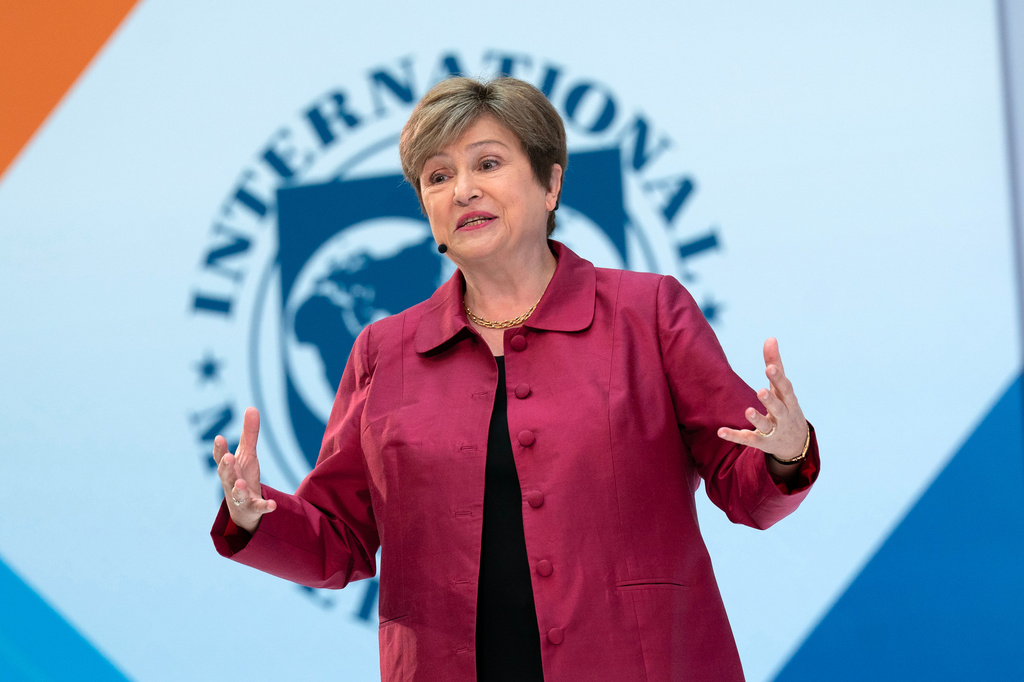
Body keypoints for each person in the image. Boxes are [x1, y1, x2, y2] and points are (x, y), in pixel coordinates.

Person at [211, 76, 819, 682]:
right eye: (438, 177)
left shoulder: (648, 313)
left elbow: (746, 487)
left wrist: (786, 454)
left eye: (488, 164)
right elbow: (339, 539)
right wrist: (254, 516)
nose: (463, 190)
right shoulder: (382, 351)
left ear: (551, 184)